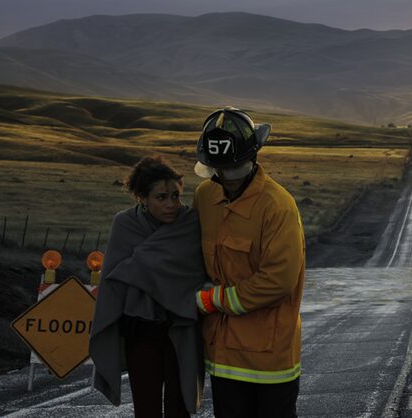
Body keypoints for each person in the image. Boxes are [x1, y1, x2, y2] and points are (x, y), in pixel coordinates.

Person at [191, 107, 306, 418]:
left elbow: (278, 280)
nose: (224, 178)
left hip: (269, 360)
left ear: (252, 158)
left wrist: (211, 299)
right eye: (218, 171)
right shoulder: (204, 197)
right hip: (222, 356)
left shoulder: (277, 206)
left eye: (231, 170)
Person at [90, 156, 208, 418]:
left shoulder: (189, 223)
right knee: (146, 408)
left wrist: (140, 266)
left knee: (180, 408)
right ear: (142, 197)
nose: (171, 205)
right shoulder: (125, 224)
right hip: (142, 332)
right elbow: (114, 279)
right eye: (161, 197)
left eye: (176, 196)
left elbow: (197, 273)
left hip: (182, 328)